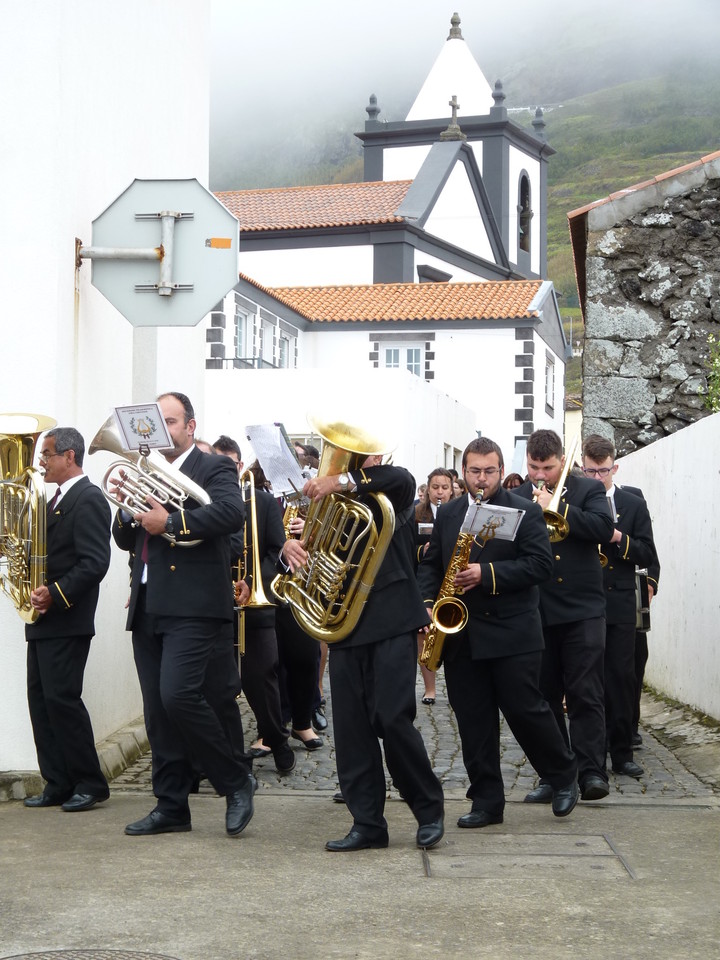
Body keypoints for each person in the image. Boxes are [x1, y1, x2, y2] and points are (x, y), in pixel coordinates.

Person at [282, 454, 445, 851]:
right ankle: (368, 823)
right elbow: (312, 554)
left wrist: (339, 481)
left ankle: (428, 810)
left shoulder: (387, 490)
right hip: (345, 624)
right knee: (352, 729)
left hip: (391, 619)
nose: (367, 457)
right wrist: (292, 547)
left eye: (370, 454)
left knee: (392, 718)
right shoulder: (325, 504)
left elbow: (403, 479)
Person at [111, 392, 256, 837]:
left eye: (170, 422)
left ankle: (235, 780)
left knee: (178, 696)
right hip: (148, 602)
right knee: (157, 711)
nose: (162, 430)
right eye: (157, 422)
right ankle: (171, 805)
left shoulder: (213, 467)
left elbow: (230, 514)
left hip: (194, 604)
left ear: (190, 427)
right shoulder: (144, 469)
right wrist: (128, 509)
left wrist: (171, 523)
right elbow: (125, 539)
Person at [416, 438, 578, 826]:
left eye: (489, 471)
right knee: (473, 720)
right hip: (462, 634)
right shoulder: (450, 512)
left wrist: (486, 574)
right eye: (474, 471)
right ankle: (487, 802)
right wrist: (427, 602)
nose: (482, 478)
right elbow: (432, 564)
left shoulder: (525, 510)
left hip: (512, 630)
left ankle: (562, 775)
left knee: (526, 710)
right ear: (464, 473)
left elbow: (540, 565)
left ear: (501, 471)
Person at [516, 429, 614, 803]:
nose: (540, 475)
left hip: (582, 610)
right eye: (534, 467)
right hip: (537, 611)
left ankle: (592, 772)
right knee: (543, 696)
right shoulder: (517, 497)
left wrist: (559, 509)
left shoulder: (587, 489)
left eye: (548, 468)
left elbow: (603, 528)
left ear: (562, 461)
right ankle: (556, 774)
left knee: (585, 692)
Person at [23, 427, 112, 812]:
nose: (41, 462)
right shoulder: (52, 500)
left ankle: (90, 782)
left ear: (69, 456)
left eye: (47, 454)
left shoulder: (88, 498)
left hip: (67, 617)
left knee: (63, 700)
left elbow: (95, 563)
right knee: (41, 701)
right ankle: (57, 781)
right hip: (43, 620)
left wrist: (55, 593)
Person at [213, 434, 296, 775]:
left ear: (240, 466)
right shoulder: (202, 499)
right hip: (214, 604)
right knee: (218, 683)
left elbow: (277, 550)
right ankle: (227, 755)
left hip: (256, 604)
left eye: (230, 464)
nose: (223, 469)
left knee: (261, 677)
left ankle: (276, 739)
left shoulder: (261, 501)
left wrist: (250, 579)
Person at [582, 434, 658, 779]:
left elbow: (647, 553)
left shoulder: (632, 504)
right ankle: (591, 755)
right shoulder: (575, 501)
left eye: (604, 471)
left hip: (621, 602)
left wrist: (617, 537)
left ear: (615, 467)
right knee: (588, 681)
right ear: (583, 468)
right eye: (591, 472)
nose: (598, 478)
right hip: (585, 601)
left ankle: (622, 752)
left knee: (622, 678)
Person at [414, 467, 454, 704]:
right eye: (435, 487)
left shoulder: (459, 513)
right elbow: (406, 547)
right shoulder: (416, 514)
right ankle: (430, 688)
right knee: (424, 634)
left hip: (451, 580)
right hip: (425, 579)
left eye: (444, 488)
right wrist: (422, 550)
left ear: (451, 490)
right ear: (428, 490)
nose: (440, 492)